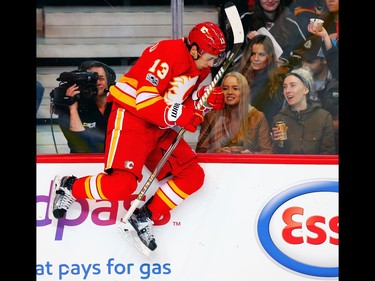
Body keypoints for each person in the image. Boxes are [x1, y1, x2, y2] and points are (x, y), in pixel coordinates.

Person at [50, 22, 227, 252]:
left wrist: (202, 101)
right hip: (132, 118)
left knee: (193, 175)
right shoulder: (168, 53)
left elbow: (177, 101)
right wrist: (181, 114)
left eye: (216, 59)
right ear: (194, 49)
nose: (212, 64)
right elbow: (145, 99)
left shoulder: (199, 66)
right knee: (121, 186)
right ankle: (70, 187)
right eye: (210, 58)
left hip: (158, 125)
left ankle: (143, 216)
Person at [196, 71, 273, 154]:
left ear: (244, 92)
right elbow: (200, 151)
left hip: (248, 166)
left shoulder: (257, 116)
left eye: (235, 88)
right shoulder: (210, 117)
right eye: (225, 88)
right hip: (219, 165)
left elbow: (268, 152)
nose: (229, 92)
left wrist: (251, 155)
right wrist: (216, 152)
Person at [52, 61, 116, 153]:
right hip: (83, 163)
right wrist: (73, 109)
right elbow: (79, 146)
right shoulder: (69, 108)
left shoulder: (117, 106)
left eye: (101, 78)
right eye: (92, 79)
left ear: (109, 81)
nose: (97, 82)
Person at [272, 67, 336, 154]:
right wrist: (280, 145)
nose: (287, 91)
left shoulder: (323, 117)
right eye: (285, 87)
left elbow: (328, 153)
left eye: (292, 85)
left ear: (305, 90)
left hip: (315, 167)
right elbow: (275, 158)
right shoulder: (279, 118)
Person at [295, 35, 339, 152]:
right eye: (302, 60)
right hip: (304, 148)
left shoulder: (337, 81)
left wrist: (314, 124)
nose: (304, 65)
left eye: (310, 61)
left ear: (325, 60)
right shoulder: (296, 81)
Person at [232, 34, 285, 130]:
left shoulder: (277, 82)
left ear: (269, 56)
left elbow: (274, 115)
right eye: (253, 54)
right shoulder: (235, 74)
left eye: (261, 54)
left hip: (261, 133)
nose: (256, 59)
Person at [240, 0, 306, 62]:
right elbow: (235, 56)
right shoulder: (245, 20)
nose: (270, 1)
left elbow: (303, 52)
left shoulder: (291, 24)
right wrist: (248, 41)